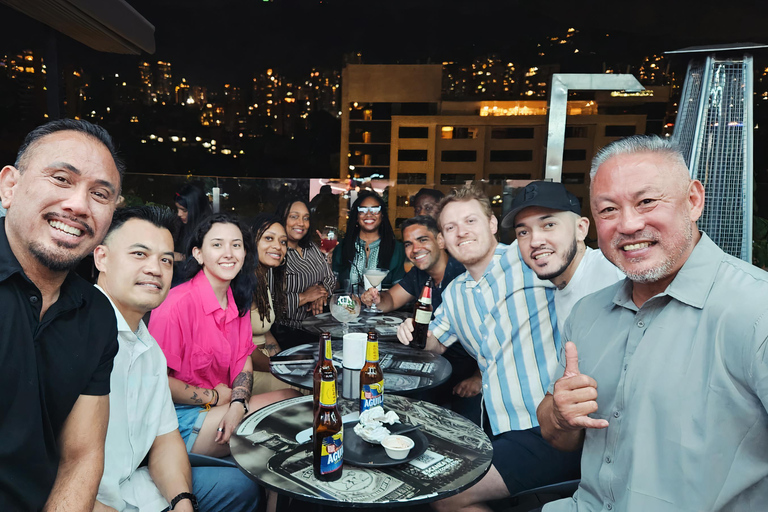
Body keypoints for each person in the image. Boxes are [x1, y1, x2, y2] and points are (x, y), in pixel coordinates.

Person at [537, 135, 768, 511]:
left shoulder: (757, 310)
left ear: (693, 200)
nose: (628, 224)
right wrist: (561, 416)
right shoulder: (588, 314)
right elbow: (557, 435)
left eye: (646, 201)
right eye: (609, 210)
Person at [397, 187, 581, 511]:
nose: (461, 232)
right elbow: (434, 345)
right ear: (443, 239)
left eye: (470, 220)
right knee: (444, 495)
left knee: (446, 494)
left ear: (492, 224)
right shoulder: (455, 292)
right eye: (451, 227)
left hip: (550, 429)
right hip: (495, 429)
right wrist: (411, 331)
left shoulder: (529, 260)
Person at [93, 205, 260, 512]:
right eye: (139, 254)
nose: (155, 269)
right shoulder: (80, 336)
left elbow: (163, 439)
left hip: (137, 483)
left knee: (243, 487)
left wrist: (183, 502)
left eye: (165, 259)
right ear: (101, 257)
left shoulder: (147, 347)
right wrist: (213, 396)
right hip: (94, 497)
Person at [0, 119, 122, 510]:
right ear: (9, 187)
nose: (79, 205)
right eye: (61, 179)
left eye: (100, 194)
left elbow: (81, 457)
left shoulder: (98, 314)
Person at [149, 213, 297, 458]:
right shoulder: (175, 305)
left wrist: (238, 405)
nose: (228, 253)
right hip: (177, 422)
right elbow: (157, 382)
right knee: (286, 420)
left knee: (293, 401)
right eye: (217, 244)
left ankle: (276, 497)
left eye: (236, 245)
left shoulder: (236, 301)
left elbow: (243, 362)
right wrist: (215, 396)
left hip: (222, 407)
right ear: (198, 254)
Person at [361, 215, 482, 423]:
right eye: (409, 243)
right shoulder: (420, 273)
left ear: (441, 241)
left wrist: (479, 379)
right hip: (432, 364)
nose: (415, 248)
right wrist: (377, 298)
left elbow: (491, 331)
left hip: (466, 373)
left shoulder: (464, 274)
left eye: (422, 240)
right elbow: (390, 300)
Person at [502, 181, 623, 333]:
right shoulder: (561, 291)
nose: (535, 241)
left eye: (549, 225)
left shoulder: (615, 269)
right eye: (523, 232)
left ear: (581, 229)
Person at [271, 197, 334, 349]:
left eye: (306, 218)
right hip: (287, 334)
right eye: (294, 216)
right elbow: (268, 304)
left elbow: (330, 279)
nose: (301, 223)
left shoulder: (312, 248)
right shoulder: (274, 252)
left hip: (318, 330)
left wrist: (320, 294)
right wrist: (305, 297)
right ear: (282, 218)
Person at [248, 213, 295, 393]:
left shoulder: (262, 278)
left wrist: (283, 361)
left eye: (283, 242)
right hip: (248, 368)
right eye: (269, 238)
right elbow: (243, 349)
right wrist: (277, 368)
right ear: (252, 241)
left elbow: (265, 331)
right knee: (314, 386)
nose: (278, 246)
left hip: (264, 361)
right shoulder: (245, 283)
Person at [333, 190, 406, 289]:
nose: (368, 214)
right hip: (347, 304)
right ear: (357, 217)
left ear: (382, 215)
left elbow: (401, 289)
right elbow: (334, 284)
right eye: (362, 210)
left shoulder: (397, 249)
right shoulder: (342, 247)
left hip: (384, 304)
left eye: (375, 210)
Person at [171, 183, 212, 286]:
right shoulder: (179, 224)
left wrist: (180, 257)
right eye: (178, 209)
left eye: (184, 210)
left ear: (196, 209)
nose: (179, 214)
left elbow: (207, 260)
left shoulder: (208, 230)